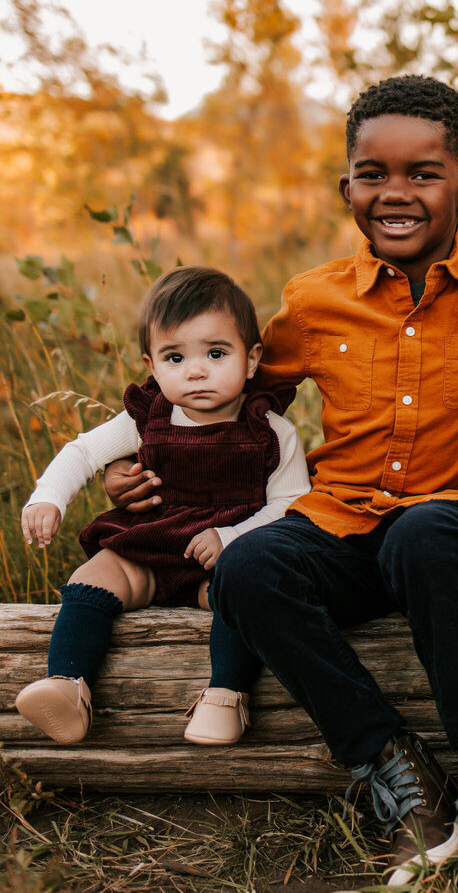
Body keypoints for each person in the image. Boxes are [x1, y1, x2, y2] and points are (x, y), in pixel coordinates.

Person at [106, 76, 458, 893]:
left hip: (454, 532)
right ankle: (394, 764)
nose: (395, 192)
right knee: (251, 566)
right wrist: (142, 463)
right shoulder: (314, 299)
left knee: (428, 533)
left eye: (424, 173)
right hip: (339, 522)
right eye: (373, 173)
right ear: (348, 189)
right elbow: (225, 388)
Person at [16, 266, 310, 748]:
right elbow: (84, 452)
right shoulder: (148, 417)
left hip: (218, 558)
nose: (196, 371)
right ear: (151, 366)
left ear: (252, 359)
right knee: (91, 577)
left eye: (216, 353)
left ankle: (225, 694)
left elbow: (291, 503)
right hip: (148, 550)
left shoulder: (271, 432)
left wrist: (232, 537)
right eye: (175, 357)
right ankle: (68, 686)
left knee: (244, 596)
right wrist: (48, 496)